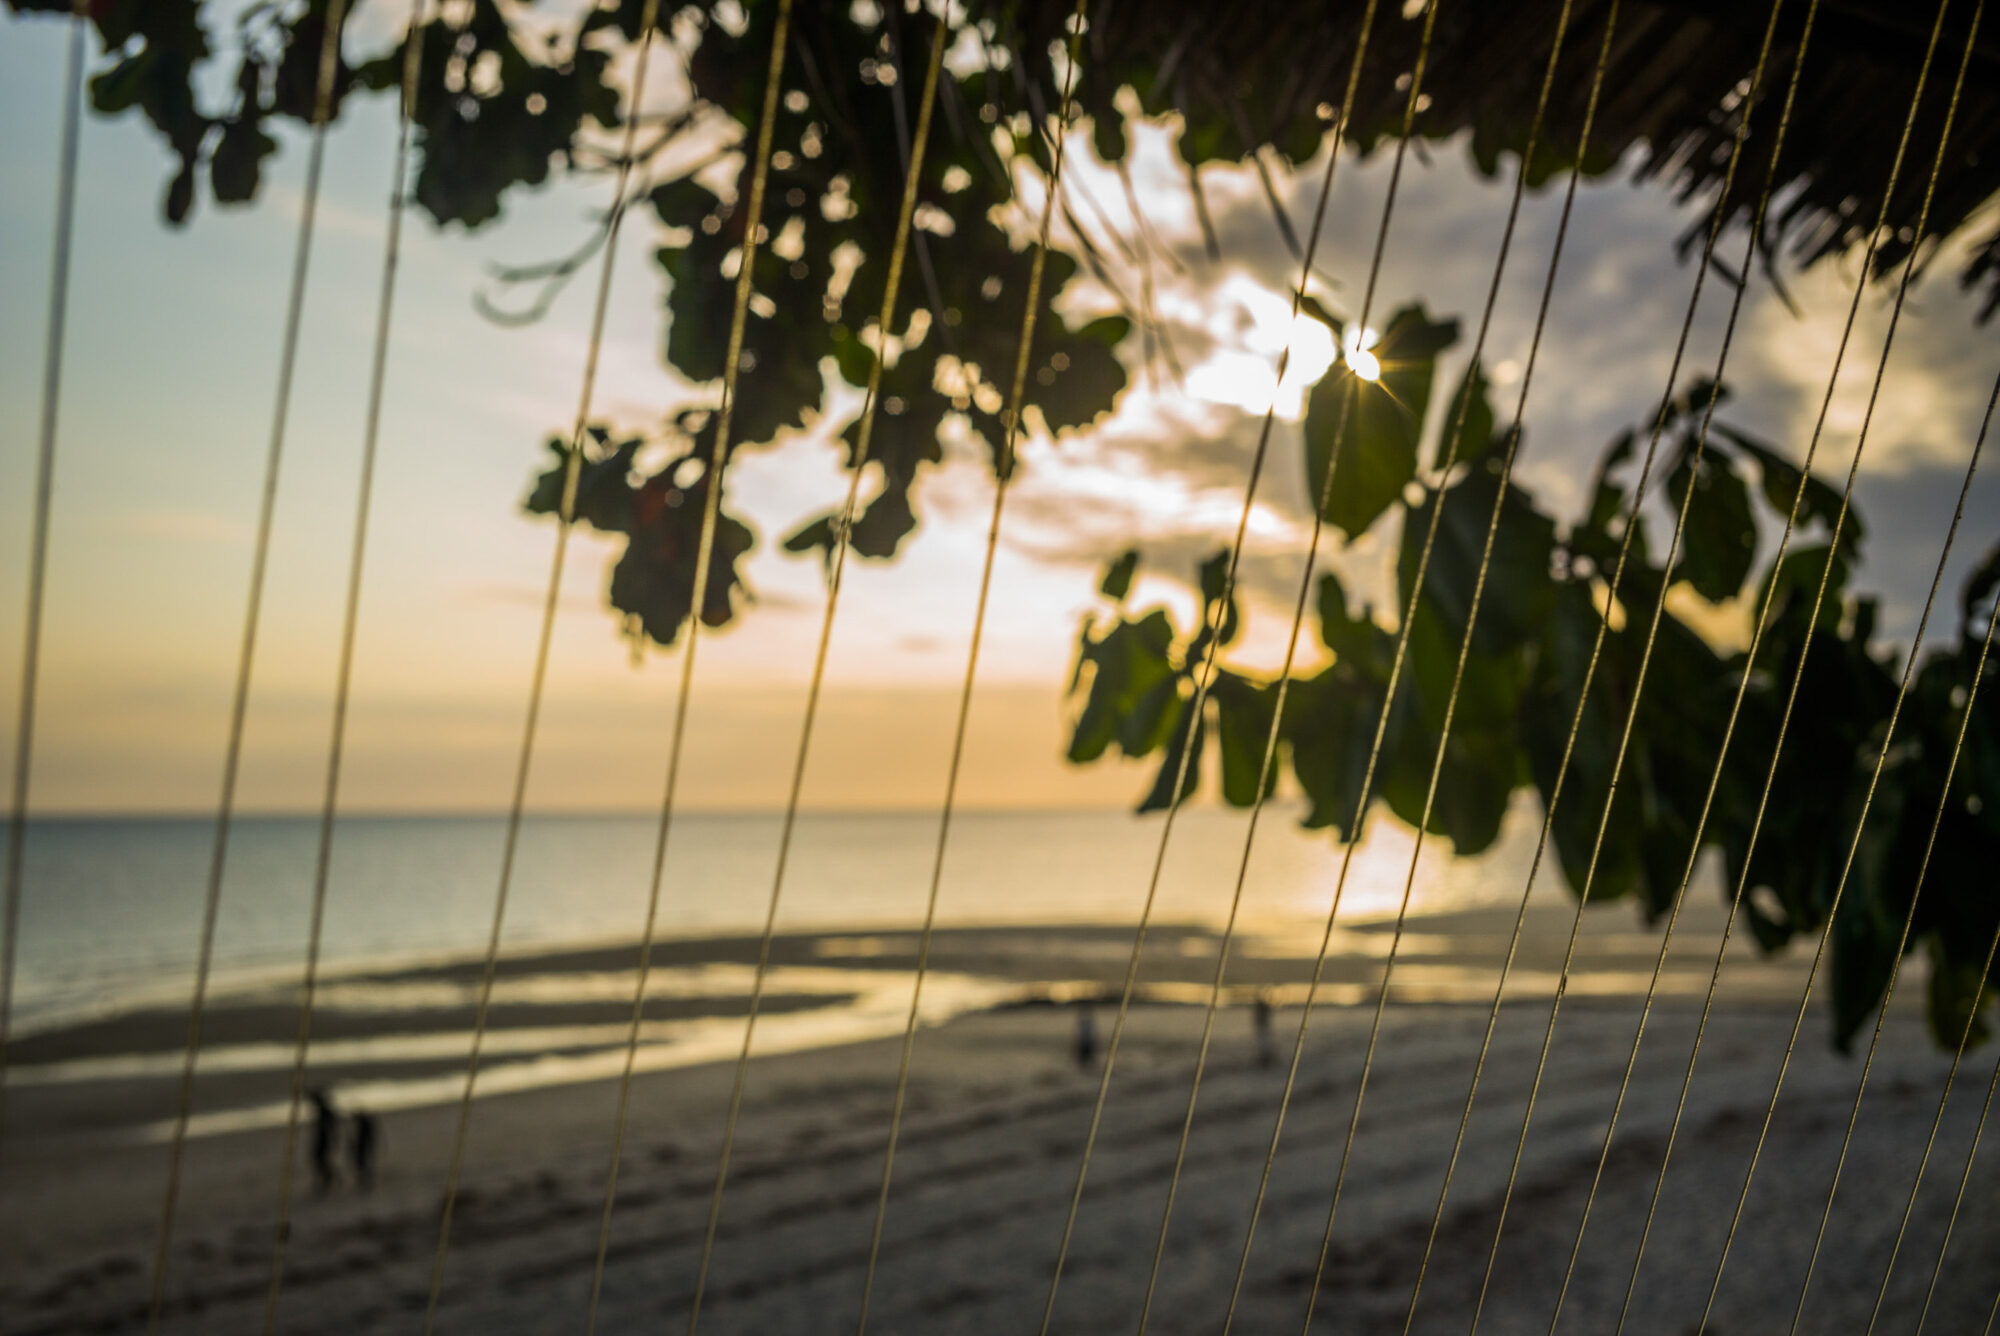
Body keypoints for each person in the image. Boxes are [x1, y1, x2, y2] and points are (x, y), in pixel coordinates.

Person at [308, 1088, 339, 1193]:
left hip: (325, 1139)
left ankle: (328, 1180)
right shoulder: (323, 1111)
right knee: (320, 1160)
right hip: (324, 1138)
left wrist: (333, 1139)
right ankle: (328, 1179)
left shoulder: (325, 1111)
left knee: (320, 1160)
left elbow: (330, 1127)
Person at [350, 1108, 379, 1191]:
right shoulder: (365, 1125)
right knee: (362, 1164)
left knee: (362, 1164)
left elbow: (367, 1138)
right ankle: (365, 1179)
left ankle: (365, 1180)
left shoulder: (364, 1125)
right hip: (362, 1147)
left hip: (362, 1147)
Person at [1252, 990, 1276, 1069]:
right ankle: (1265, 1060)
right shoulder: (1262, 1007)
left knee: (1265, 1043)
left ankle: (1266, 1060)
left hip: (1263, 1027)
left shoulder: (1261, 1007)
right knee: (1265, 1043)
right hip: (1263, 1026)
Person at [1074, 999, 1098, 1071]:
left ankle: (1087, 1067)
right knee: (1085, 1058)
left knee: (1087, 1057)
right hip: (1085, 1043)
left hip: (1087, 1042)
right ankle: (1085, 1067)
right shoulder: (1084, 1022)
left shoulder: (1086, 1022)